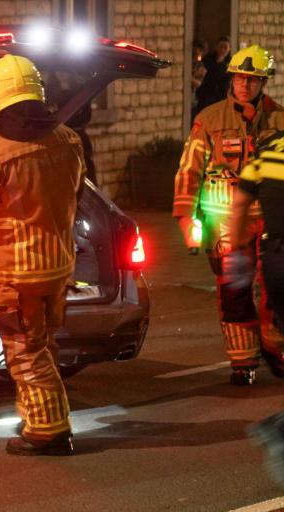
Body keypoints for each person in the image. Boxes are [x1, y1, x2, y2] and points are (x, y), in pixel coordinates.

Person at [0, 54, 85, 456]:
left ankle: (47, 431)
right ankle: (38, 415)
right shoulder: (68, 140)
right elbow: (77, 191)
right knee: (44, 344)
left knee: (26, 352)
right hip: (59, 265)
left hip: (17, 272)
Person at [174, 44, 284, 385]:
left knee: (275, 290)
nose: (244, 85)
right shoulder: (210, 119)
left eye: (252, 79)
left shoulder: (281, 119)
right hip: (224, 226)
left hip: (271, 222)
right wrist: (184, 217)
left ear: (264, 82)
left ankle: (275, 348)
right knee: (233, 291)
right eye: (239, 78)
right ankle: (242, 362)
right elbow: (189, 170)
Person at [225, 132, 284, 488]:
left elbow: (239, 205)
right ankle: (279, 430)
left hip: (276, 261)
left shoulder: (269, 152)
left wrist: (236, 253)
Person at [195, 36, 232, 115]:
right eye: (221, 47)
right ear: (216, 47)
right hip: (206, 96)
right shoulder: (208, 59)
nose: (223, 50)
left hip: (221, 98)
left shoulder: (230, 64)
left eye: (225, 47)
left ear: (229, 49)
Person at [192, 39, 209, 119]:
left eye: (201, 51)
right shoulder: (188, 61)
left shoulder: (200, 65)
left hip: (193, 100)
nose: (198, 53)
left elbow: (198, 83)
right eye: (196, 50)